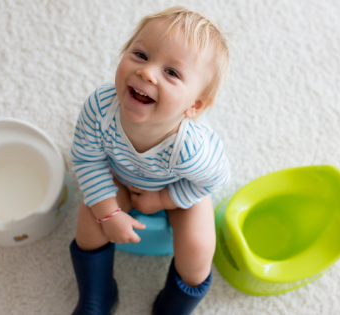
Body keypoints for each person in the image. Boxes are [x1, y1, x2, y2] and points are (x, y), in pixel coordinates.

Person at [69, 6, 230, 315]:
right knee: (89, 223)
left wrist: (164, 199)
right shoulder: (101, 107)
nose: (146, 72)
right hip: (119, 175)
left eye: (171, 72)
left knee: (198, 249)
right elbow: (86, 159)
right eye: (141, 55)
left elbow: (214, 179)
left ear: (195, 105)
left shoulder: (191, 148)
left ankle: (173, 307)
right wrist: (108, 213)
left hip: (175, 184)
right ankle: (97, 297)